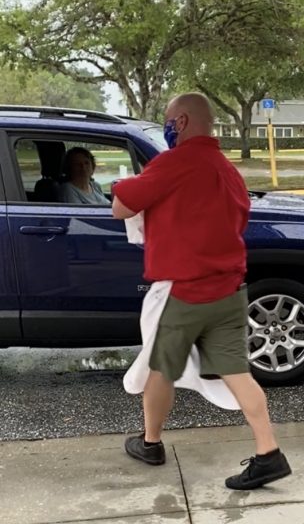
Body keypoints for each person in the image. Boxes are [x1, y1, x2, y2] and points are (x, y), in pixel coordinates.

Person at [111, 92, 291, 490]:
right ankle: (268, 453)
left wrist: (120, 183)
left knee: (161, 369)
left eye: (168, 120)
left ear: (182, 122)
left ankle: (151, 442)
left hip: (183, 292)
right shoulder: (228, 171)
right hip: (228, 290)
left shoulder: (176, 162)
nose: (166, 127)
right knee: (237, 373)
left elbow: (122, 206)